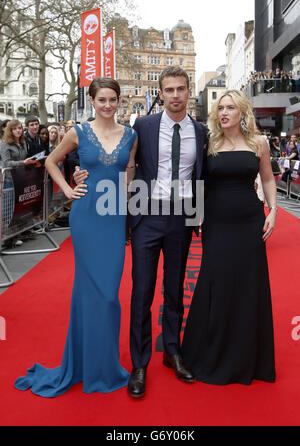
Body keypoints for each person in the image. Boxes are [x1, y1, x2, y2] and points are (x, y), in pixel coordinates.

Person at [14, 77, 137, 397]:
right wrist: (69, 188)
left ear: (119, 101)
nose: (108, 105)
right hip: (87, 217)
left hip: (114, 217)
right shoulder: (78, 132)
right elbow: (51, 161)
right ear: (92, 102)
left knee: (109, 294)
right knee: (91, 291)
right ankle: (89, 366)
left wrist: (131, 199)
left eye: (113, 100)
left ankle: (101, 364)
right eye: (102, 100)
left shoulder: (131, 135)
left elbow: (130, 171)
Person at [181, 90, 277, 386]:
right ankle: (210, 353)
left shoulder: (258, 143)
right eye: (220, 108)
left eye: (230, 107)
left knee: (248, 285)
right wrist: (192, 216)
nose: (224, 112)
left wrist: (272, 210)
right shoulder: (209, 143)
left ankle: (247, 357)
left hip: (250, 221)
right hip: (217, 222)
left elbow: (268, 178)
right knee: (217, 282)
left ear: (242, 112)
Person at [127, 67, 207, 398]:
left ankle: (172, 351)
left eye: (181, 89)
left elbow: (202, 175)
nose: (175, 95)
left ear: (189, 92)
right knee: (142, 291)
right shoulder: (143, 126)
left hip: (181, 218)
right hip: (147, 215)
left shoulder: (201, 132)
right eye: (169, 89)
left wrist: (200, 216)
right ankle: (140, 362)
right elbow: (129, 166)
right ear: (160, 92)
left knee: (174, 288)